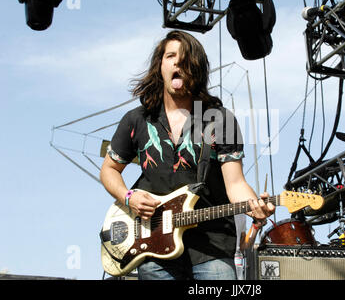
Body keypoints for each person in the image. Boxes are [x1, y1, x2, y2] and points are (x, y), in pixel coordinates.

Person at [99, 30, 275, 280]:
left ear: (197, 69)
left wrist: (254, 207)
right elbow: (109, 170)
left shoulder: (219, 120)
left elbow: (235, 183)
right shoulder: (137, 120)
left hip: (212, 245)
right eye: (171, 56)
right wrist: (128, 197)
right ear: (160, 65)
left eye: (185, 59)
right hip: (154, 245)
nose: (177, 63)